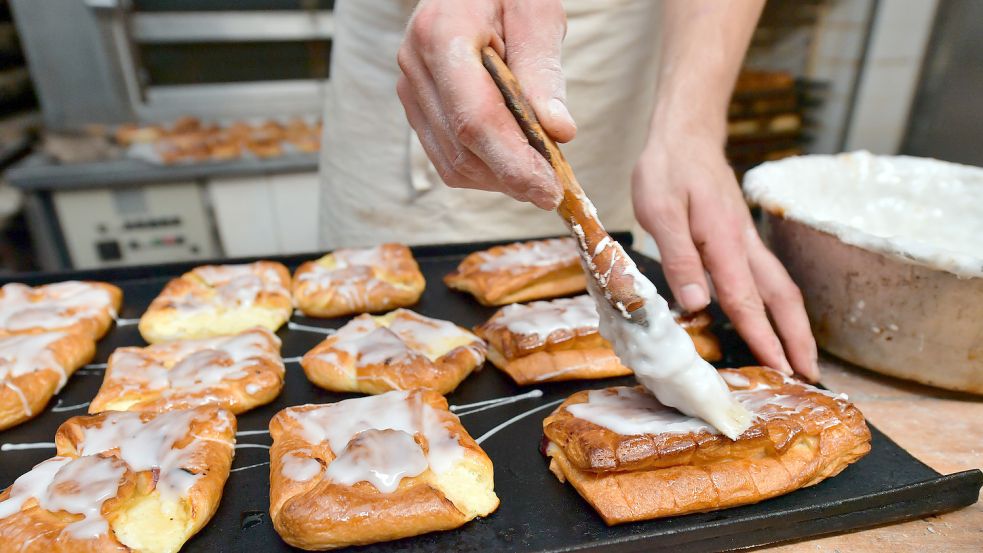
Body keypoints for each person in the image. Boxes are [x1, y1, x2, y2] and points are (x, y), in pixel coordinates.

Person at [318, 0, 819, 381]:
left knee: (613, 279)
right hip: (406, 41)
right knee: (370, 314)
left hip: (610, 53)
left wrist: (692, 126)